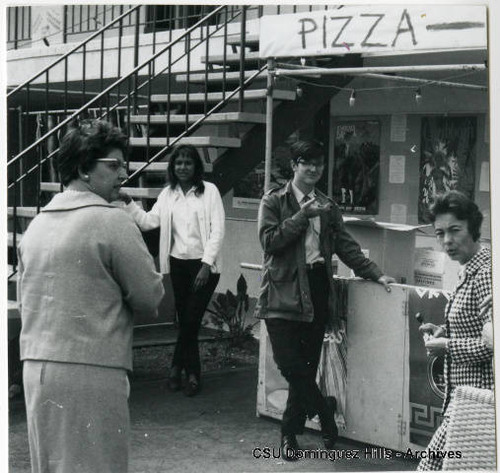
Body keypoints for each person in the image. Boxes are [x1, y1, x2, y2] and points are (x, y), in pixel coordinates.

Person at [17, 119, 165, 473]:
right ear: (84, 168)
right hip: (92, 369)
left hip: (36, 368)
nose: (122, 174)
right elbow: (150, 297)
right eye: (113, 166)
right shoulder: (113, 221)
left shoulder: (36, 226)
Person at [255, 139, 395, 461]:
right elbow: (269, 241)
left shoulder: (328, 205)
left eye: (319, 163)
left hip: (317, 287)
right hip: (282, 289)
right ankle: (324, 410)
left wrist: (375, 273)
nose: (314, 169)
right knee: (290, 364)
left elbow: (346, 246)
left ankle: (289, 435)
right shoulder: (273, 200)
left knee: (304, 365)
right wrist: (302, 216)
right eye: (307, 162)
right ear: (294, 165)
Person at [119, 144, 225, 397]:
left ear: (196, 166)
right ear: (172, 167)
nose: (183, 167)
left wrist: (205, 265)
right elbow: (148, 222)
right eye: (178, 163)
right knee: (187, 322)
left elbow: (218, 230)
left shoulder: (209, 191)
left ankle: (186, 372)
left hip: (205, 267)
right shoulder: (168, 194)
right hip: (178, 265)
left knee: (190, 321)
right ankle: (182, 371)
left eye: (188, 162)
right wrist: (128, 202)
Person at [417, 190, 493, 471]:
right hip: (462, 402)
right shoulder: (467, 269)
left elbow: (492, 344)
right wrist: (442, 331)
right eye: (439, 233)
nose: (446, 241)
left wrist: (447, 346)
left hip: (477, 405)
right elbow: (476, 327)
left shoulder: (484, 274)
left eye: (454, 230)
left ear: (473, 227)